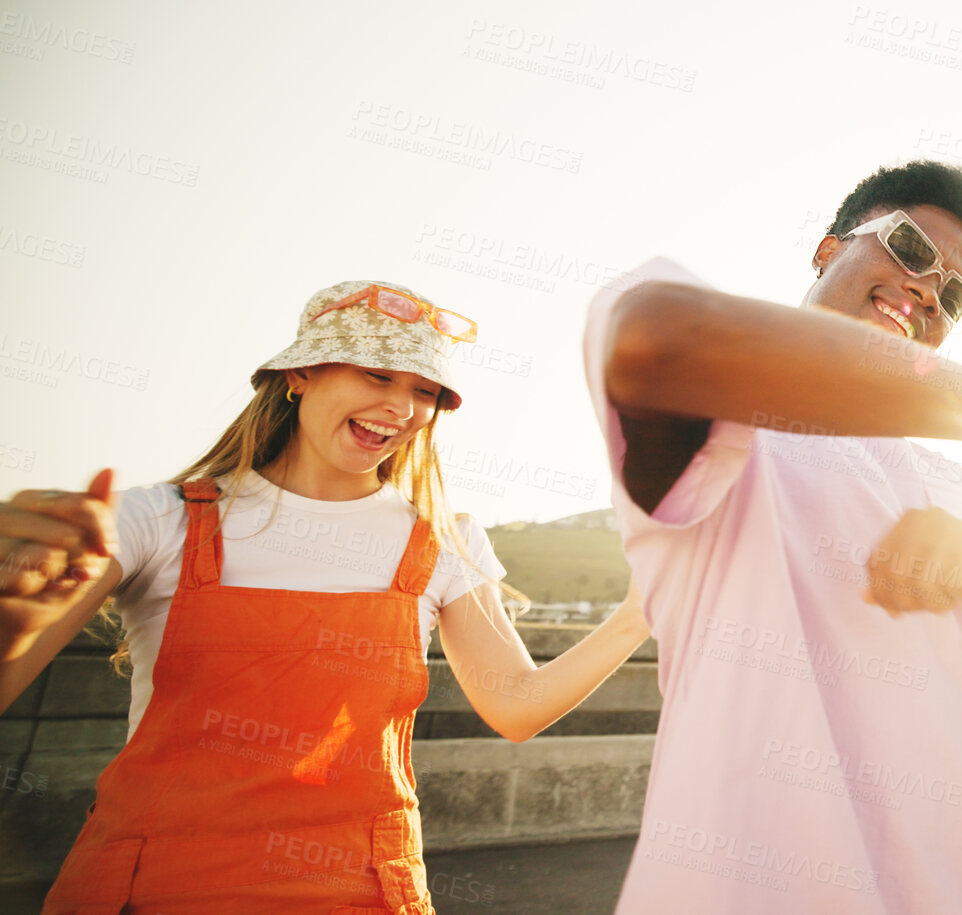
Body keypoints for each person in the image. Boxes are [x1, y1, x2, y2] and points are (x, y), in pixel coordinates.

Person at [584, 159, 962, 913]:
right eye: (908, 248)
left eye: (952, 295)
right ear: (828, 249)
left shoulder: (949, 486)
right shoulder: (726, 436)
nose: (927, 287)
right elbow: (658, 341)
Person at [0, 280, 656, 913]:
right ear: (300, 375)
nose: (402, 407)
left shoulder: (446, 540)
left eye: (424, 390)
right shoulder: (157, 518)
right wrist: (13, 622)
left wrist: (637, 613)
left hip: (362, 894)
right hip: (154, 891)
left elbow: (517, 705)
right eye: (377, 375)